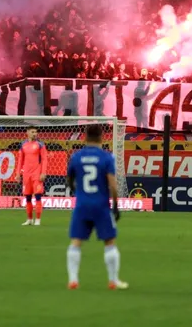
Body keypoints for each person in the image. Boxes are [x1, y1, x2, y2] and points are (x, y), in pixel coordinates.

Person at [65, 124, 127, 290]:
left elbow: (69, 178)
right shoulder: (107, 158)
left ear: (85, 137)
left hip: (82, 205)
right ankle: (113, 281)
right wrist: (115, 206)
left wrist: (76, 191)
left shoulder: (76, 156)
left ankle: (73, 280)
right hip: (100, 206)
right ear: (102, 137)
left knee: (76, 241)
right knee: (110, 242)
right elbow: (113, 185)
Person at [16, 127, 47, 226]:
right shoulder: (23, 144)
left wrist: (43, 172)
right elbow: (20, 160)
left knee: (38, 196)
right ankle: (29, 219)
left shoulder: (40, 144)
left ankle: (37, 219)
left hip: (37, 174)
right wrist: (18, 174)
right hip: (26, 175)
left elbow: (44, 159)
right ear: (27, 133)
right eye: (32, 132)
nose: (35, 134)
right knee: (28, 197)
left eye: (36, 132)